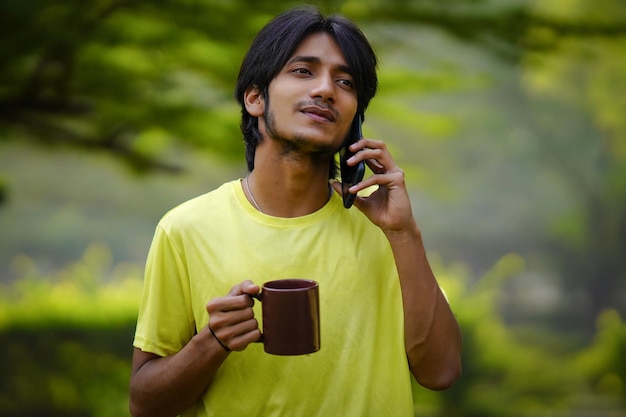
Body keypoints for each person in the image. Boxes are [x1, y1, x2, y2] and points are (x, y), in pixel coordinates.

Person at [129, 6, 462, 417]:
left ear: (354, 119)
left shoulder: (386, 229)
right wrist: (211, 342)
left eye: (345, 82)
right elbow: (145, 404)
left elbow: (441, 371)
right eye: (304, 71)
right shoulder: (184, 229)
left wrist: (404, 233)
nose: (326, 90)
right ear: (255, 97)